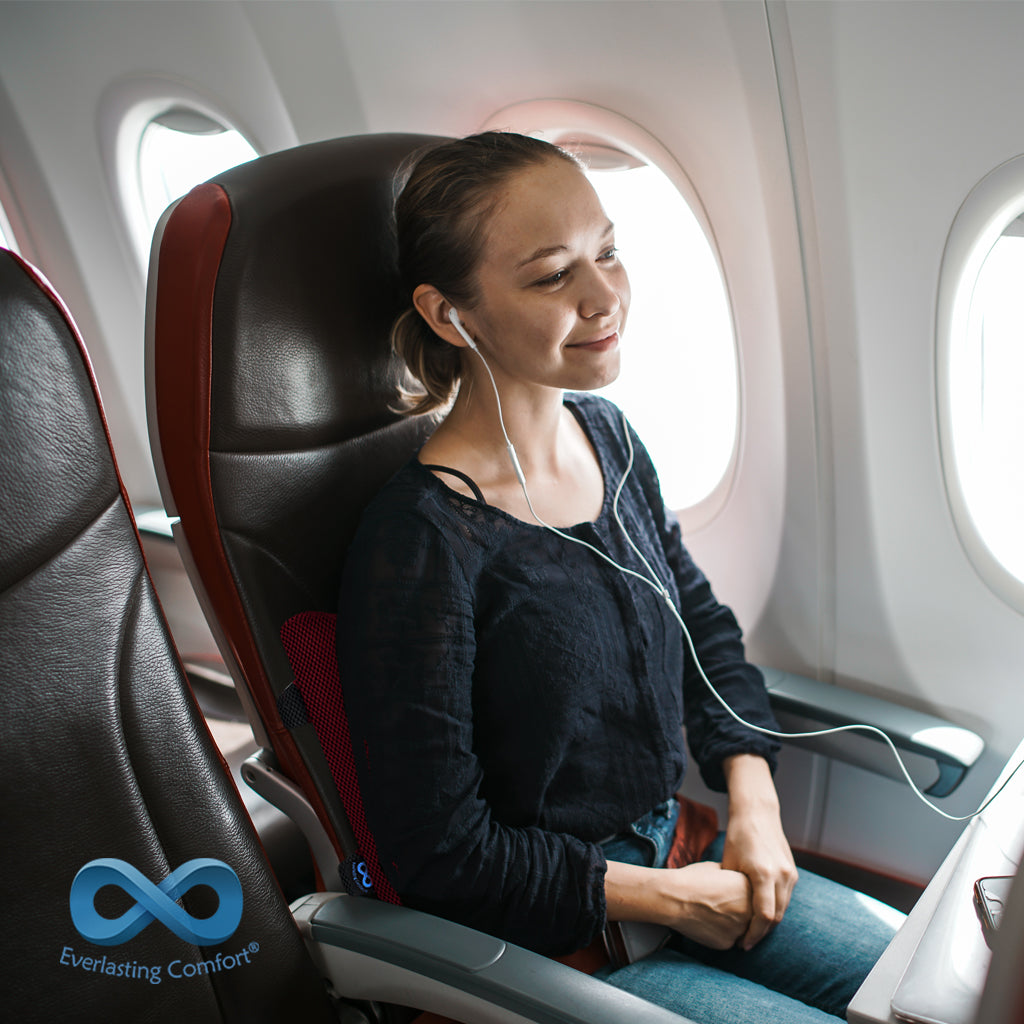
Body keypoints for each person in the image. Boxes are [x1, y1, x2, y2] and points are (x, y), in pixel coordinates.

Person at [336, 131, 902, 1024]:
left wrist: (752, 800)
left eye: (606, 252)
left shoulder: (607, 437)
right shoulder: (422, 543)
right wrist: (669, 901)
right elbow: (440, 851)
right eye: (552, 275)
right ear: (453, 316)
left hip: (678, 850)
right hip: (553, 936)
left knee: (944, 990)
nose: (606, 297)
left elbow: (701, 632)